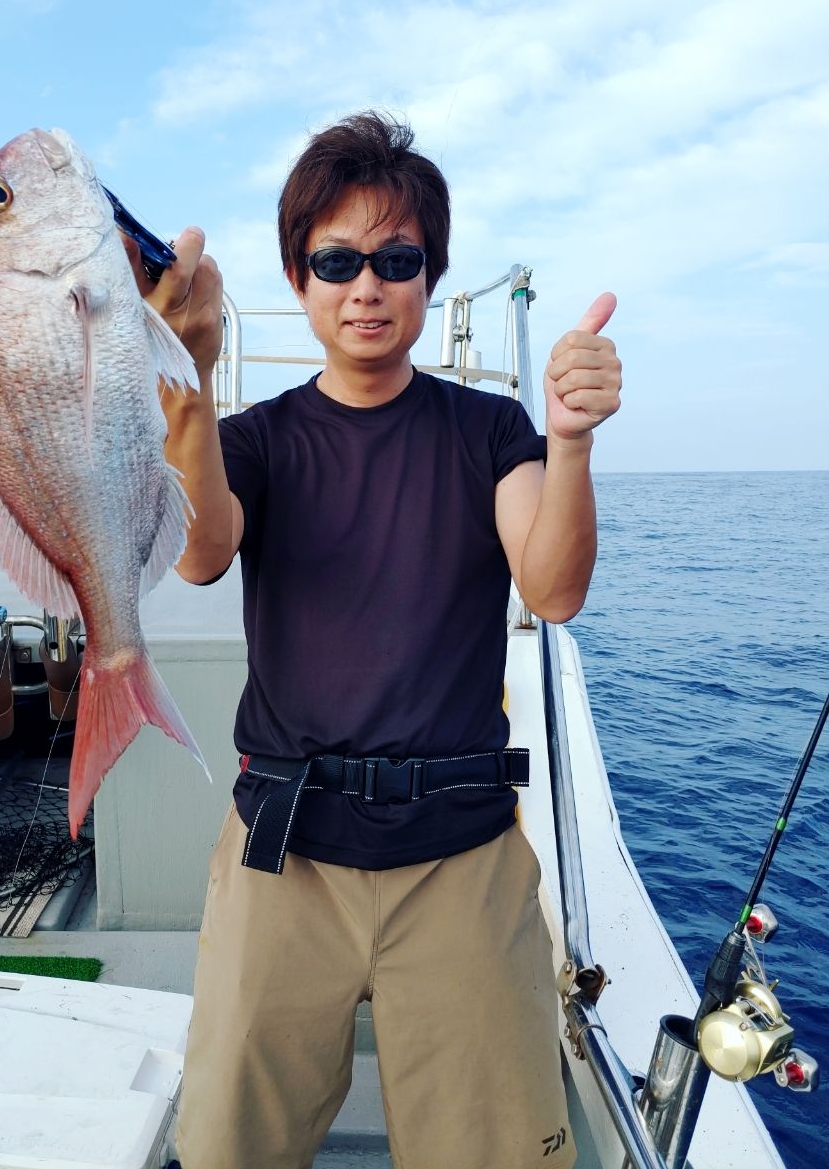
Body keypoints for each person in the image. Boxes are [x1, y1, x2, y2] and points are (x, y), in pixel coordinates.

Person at [132, 112, 621, 1169]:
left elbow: (554, 583)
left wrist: (571, 443)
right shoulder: (257, 437)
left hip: (462, 860)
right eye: (337, 260)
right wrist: (190, 381)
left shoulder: (490, 430)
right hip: (284, 858)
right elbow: (203, 548)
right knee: (227, 1147)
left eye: (396, 260)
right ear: (300, 278)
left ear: (429, 278)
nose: (366, 285)